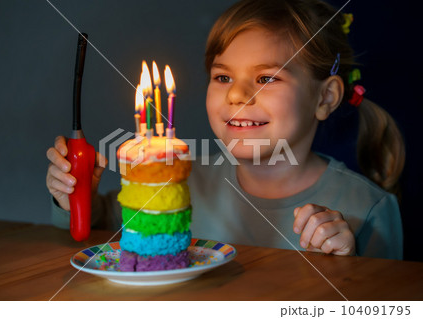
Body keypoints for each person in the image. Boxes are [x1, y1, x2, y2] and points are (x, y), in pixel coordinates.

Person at [47, 0, 405, 259]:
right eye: (222, 77)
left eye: (266, 78)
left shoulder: (370, 210)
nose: (236, 94)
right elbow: (101, 232)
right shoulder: (178, 180)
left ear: (325, 98)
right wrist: (77, 198)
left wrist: (348, 262)